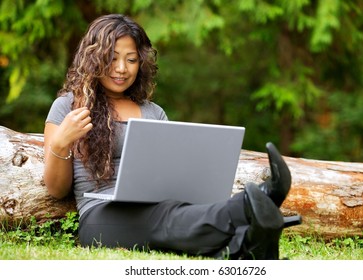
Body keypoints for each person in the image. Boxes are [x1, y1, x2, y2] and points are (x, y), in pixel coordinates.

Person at [44, 14, 296, 259]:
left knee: (172, 212)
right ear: (93, 58)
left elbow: (171, 176)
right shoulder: (69, 107)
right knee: (164, 216)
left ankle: (252, 245)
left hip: (161, 208)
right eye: (112, 58)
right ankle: (253, 204)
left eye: (131, 60)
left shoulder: (154, 112)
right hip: (101, 217)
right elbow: (57, 189)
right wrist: (61, 141)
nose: (121, 69)